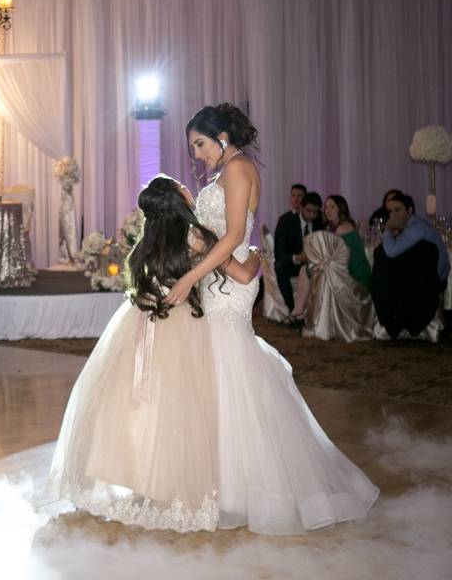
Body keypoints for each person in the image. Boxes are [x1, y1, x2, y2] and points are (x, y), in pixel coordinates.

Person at [165, 103, 378, 534]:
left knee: (233, 373)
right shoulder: (227, 172)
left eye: (200, 144)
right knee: (221, 378)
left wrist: (191, 273)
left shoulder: (239, 169)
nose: (196, 154)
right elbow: (224, 240)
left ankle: (248, 488)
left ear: (222, 137)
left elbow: (229, 239)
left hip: (228, 286)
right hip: (223, 278)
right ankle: (225, 483)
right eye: (192, 147)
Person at [49, 175, 261, 532]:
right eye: (183, 187)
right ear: (180, 198)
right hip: (183, 328)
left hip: (140, 325)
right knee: (181, 411)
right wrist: (255, 256)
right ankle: (173, 484)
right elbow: (239, 274)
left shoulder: (149, 240)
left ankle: (141, 482)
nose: (188, 188)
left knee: (139, 406)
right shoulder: (195, 237)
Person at [371, 192, 450, 339]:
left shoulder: (417, 227)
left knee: (386, 268)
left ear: (410, 210)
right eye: (390, 211)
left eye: (397, 210)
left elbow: (391, 251)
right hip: (421, 276)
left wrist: (387, 230)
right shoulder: (413, 223)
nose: (393, 215)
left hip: (434, 280)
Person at [288, 195, 372, 321]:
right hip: (343, 269)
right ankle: (300, 311)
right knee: (307, 270)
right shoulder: (335, 227)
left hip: (354, 274)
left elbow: (343, 259)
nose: (328, 210)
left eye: (332, 206)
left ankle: (299, 311)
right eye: (326, 207)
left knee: (306, 270)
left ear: (341, 209)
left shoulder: (343, 228)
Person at [274, 191, 324, 314]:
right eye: (309, 210)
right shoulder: (286, 221)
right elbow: (279, 253)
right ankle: (293, 310)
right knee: (280, 267)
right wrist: (297, 257)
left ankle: (319, 312)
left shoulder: (320, 222)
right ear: (301, 207)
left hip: (315, 264)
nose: (312, 215)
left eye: (316, 212)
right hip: (293, 263)